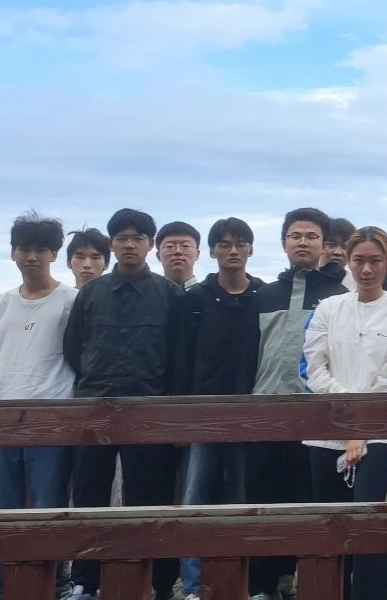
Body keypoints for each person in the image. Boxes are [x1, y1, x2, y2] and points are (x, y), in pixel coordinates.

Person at [63, 208, 184, 600]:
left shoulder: (169, 295)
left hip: (150, 410)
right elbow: (73, 348)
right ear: (112, 244)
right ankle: (86, 581)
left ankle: (159, 583)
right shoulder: (91, 293)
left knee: (153, 497)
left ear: (150, 244)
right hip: (95, 408)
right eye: (121, 238)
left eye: (138, 238)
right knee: (89, 495)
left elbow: (179, 355)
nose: (129, 244)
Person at [244, 207, 349, 600]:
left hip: (316, 414)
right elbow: (247, 354)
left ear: (324, 244)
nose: (303, 242)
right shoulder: (264, 295)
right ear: (284, 242)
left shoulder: (339, 297)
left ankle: (302, 579)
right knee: (262, 499)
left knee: (309, 497)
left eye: (311, 236)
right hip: (265, 410)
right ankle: (262, 584)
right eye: (295, 236)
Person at [302, 226, 387, 600]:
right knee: (330, 522)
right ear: (348, 261)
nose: (366, 269)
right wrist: (349, 421)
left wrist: (362, 428)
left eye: (375, 261)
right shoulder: (328, 308)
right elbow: (311, 367)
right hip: (327, 429)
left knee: (368, 518)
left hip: (380, 432)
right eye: (359, 260)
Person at [0, 212, 78, 600]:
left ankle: (52, 587)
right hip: (2, 421)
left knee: (49, 511)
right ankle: (0, 589)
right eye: (24, 248)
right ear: (13, 253)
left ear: (54, 254)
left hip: (51, 421)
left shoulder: (71, 300)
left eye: (41, 248)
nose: (32, 256)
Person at [175, 217, 264, 600]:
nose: (233, 250)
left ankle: (242, 584)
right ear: (211, 251)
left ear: (251, 249)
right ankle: (194, 586)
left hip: (250, 415)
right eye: (224, 244)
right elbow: (181, 358)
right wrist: (179, 418)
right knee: (194, 499)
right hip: (202, 415)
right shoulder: (194, 299)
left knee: (244, 499)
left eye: (240, 243)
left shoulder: (263, 296)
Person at [156, 220, 202, 289]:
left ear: (197, 254)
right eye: (170, 246)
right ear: (158, 255)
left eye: (185, 246)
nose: (178, 251)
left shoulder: (210, 294)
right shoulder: (146, 293)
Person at [327, 217, 358, 290]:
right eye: (331, 245)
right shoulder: (306, 279)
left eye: (345, 247)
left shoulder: (358, 285)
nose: (337, 252)